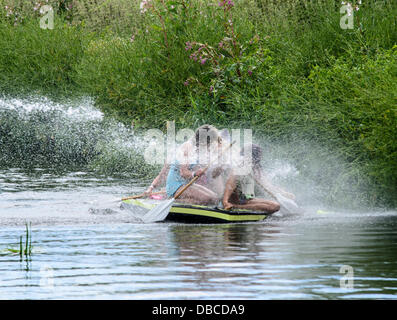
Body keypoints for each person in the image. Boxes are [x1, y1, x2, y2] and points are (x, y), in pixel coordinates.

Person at [222, 144, 294, 213]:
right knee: (275, 206)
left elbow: (267, 185)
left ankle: (241, 207)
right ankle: (235, 207)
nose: (260, 157)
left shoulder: (256, 168)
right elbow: (230, 185)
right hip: (238, 201)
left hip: (247, 200)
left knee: (275, 205)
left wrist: (283, 193)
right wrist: (225, 202)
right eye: (258, 155)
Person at [165, 124, 223, 205]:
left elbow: (202, 170)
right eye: (210, 143)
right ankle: (171, 199)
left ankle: (183, 201)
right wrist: (194, 173)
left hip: (187, 184)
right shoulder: (187, 147)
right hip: (176, 185)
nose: (210, 146)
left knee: (214, 199)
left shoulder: (199, 149)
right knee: (206, 199)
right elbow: (183, 172)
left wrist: (217, 170)